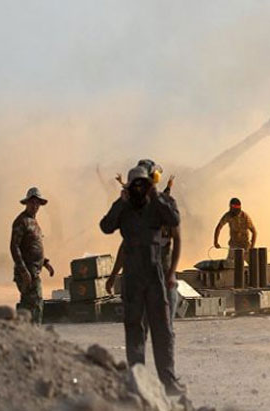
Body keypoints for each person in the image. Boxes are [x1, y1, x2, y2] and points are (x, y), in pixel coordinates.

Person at [100, 165, 184, 395]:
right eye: (134, 184)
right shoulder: (124, 208)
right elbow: (106, 226)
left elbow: (173, 219)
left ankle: (168, 381)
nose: (139, 189)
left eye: (142, 184)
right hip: (133, 277)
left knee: (162, 329)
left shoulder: (156, 206)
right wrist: (121, 202)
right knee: (135, 329)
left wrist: (154, 195)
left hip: (154, 273)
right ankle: (138, 381)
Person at [10, 187, 54, 323]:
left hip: (33, 271)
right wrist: (24, 271)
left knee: (29, 306)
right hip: (27, 272)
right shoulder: (21, 221)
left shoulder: (34, 222)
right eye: (32, 202)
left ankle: (25, 332)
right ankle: (31, 332)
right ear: (27, 203)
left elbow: (33, 247)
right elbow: (14, 247)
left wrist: (45, 263)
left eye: (37, 203)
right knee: (35, 303)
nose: (35, 206)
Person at [213, 197, 257, 262]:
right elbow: (219, 227)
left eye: (234, 209)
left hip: (245, 245)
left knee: (253, 264)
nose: (232, 211)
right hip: (234, 245)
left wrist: (252, 247)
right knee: (229, 264)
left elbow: (254, 232)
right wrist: (215, 242)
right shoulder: (228, 215)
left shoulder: (245, 217)